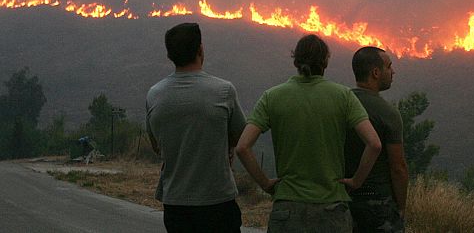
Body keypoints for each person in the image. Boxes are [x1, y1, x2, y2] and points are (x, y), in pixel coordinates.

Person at [236, 34, 382, 233]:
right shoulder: (343, 96)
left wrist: (265, 184)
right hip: (331, 210)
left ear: (295, 61)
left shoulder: (272, 97)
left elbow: (243, 147)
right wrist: (356, 181)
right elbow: (374, 144)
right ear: (326, 62)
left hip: (288, 209)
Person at [146, 22, 247, 233]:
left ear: (169, 55)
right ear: (200, 50)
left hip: (175, 204)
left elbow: (156, 146)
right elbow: (241, 136)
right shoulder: (223, 91)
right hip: (217, 201)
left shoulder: (154, 95)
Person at [344, 47, 408, 233]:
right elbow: (398, 167)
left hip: (342, 201)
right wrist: (401, 208)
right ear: (375, 73)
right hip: (378, 205)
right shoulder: (388, 113)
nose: (393, 72)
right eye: (389, 66)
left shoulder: (341, 105)